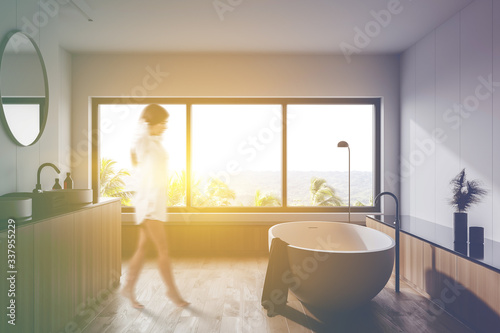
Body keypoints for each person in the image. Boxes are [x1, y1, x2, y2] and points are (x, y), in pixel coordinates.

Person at [121, 104, 188, 309]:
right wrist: (144, 123)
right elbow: (139, 145)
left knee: (142, 248)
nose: (166, 126)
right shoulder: (144, 142)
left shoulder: (155, 142)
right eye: (163, 122)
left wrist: (152, 128)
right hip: (149, 205)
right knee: (163, 249)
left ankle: (128, 289)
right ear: (152, 122)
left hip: (155, 203)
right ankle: (172, 292)